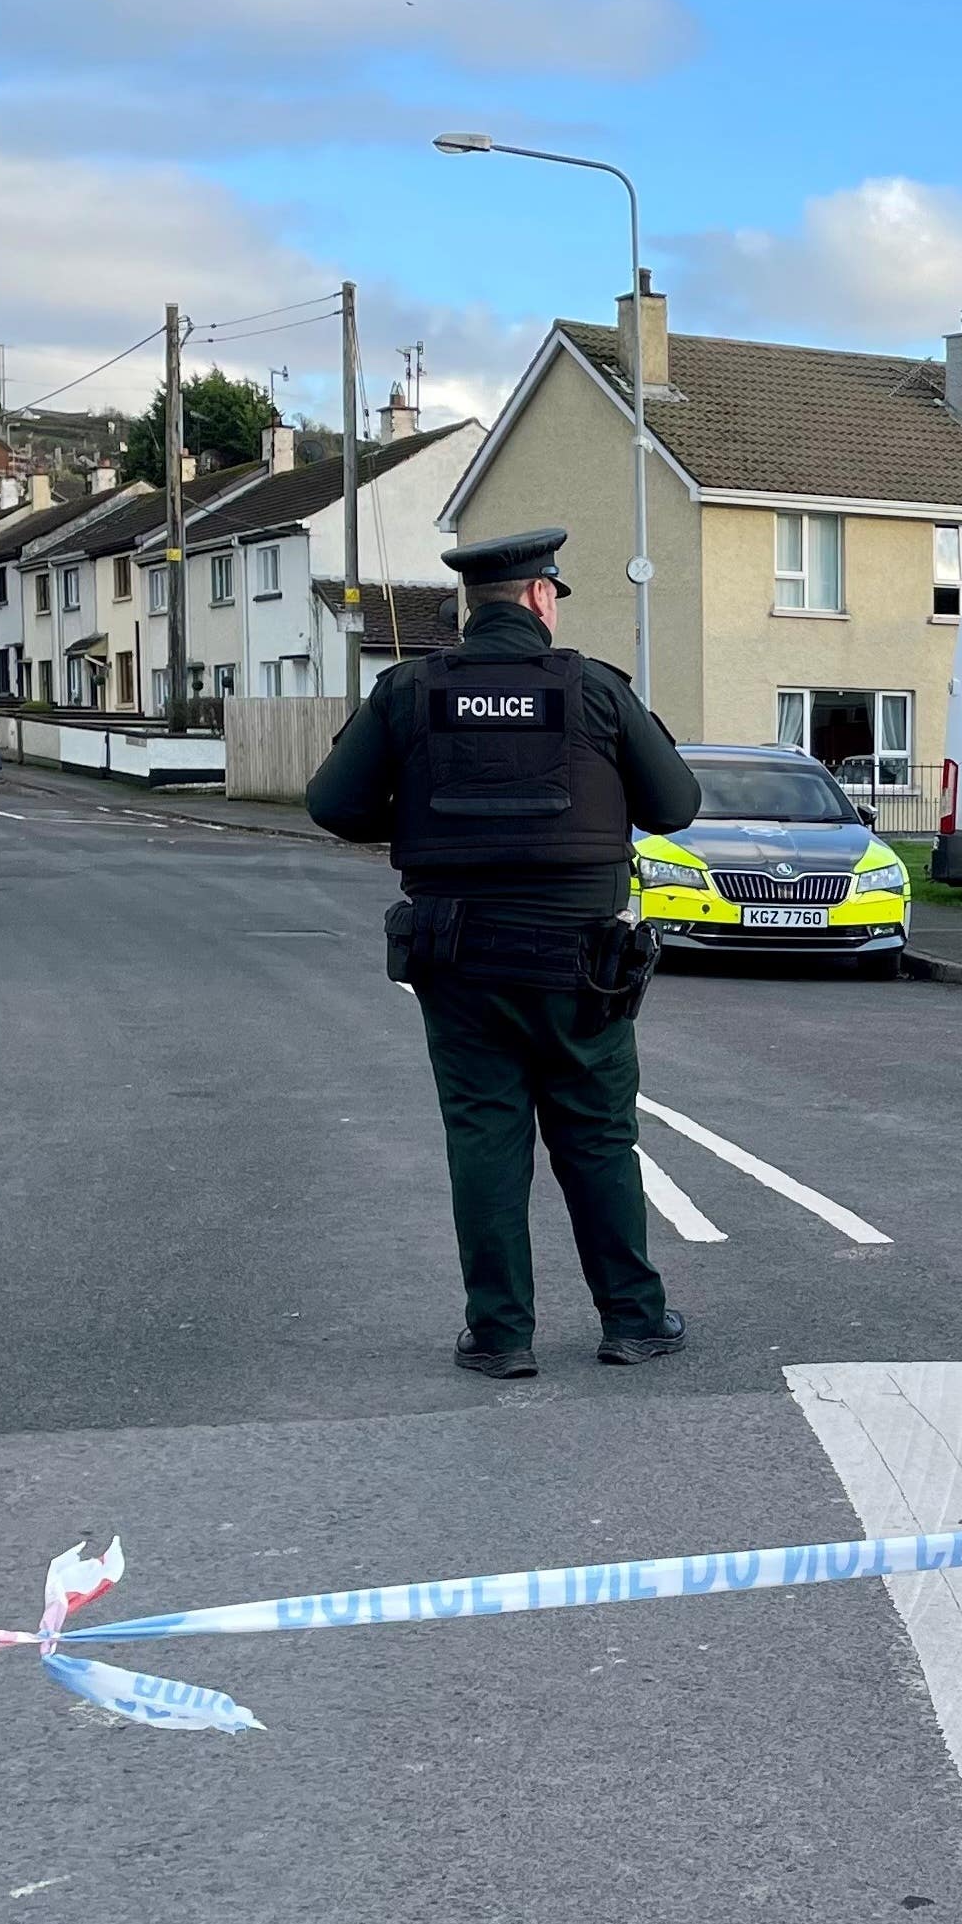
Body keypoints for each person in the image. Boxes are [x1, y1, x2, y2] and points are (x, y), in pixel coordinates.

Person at [306, 528, 704, 1377]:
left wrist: (420, 819)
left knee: (484, 1138)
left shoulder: (410, 691)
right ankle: (633, 1320)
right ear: (537, 597)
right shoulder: (594, 690)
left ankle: (499, 1335)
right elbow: (674, 806)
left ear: (471, 605)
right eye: (553, 594)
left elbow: (332, 804)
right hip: (580, 965)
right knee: (597, 1137)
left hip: (460, 960)